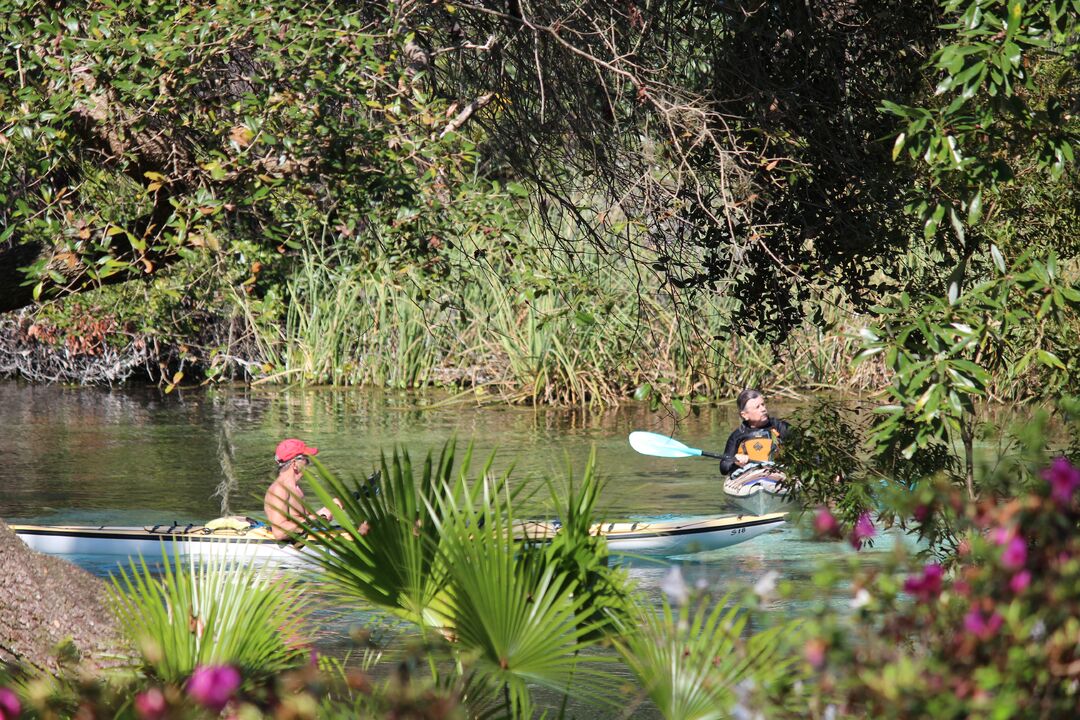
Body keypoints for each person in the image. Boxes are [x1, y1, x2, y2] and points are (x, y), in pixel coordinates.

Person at [263, 438, 342, 541]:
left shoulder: (295, 488)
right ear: (295, 464)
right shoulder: (280, 490)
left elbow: (303, 520)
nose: (308, 464)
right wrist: (318, 516)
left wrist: (329, 510)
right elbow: (279, 533)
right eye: (306, 459)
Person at [719, 389, 790, 476]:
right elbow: (723, 467)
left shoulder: (780, 427)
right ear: (744, 415)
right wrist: (735, 461)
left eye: (763, 404)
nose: (763, 409)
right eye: (757, 407)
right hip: (748, 476)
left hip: (777, 473)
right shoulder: (737, 435)